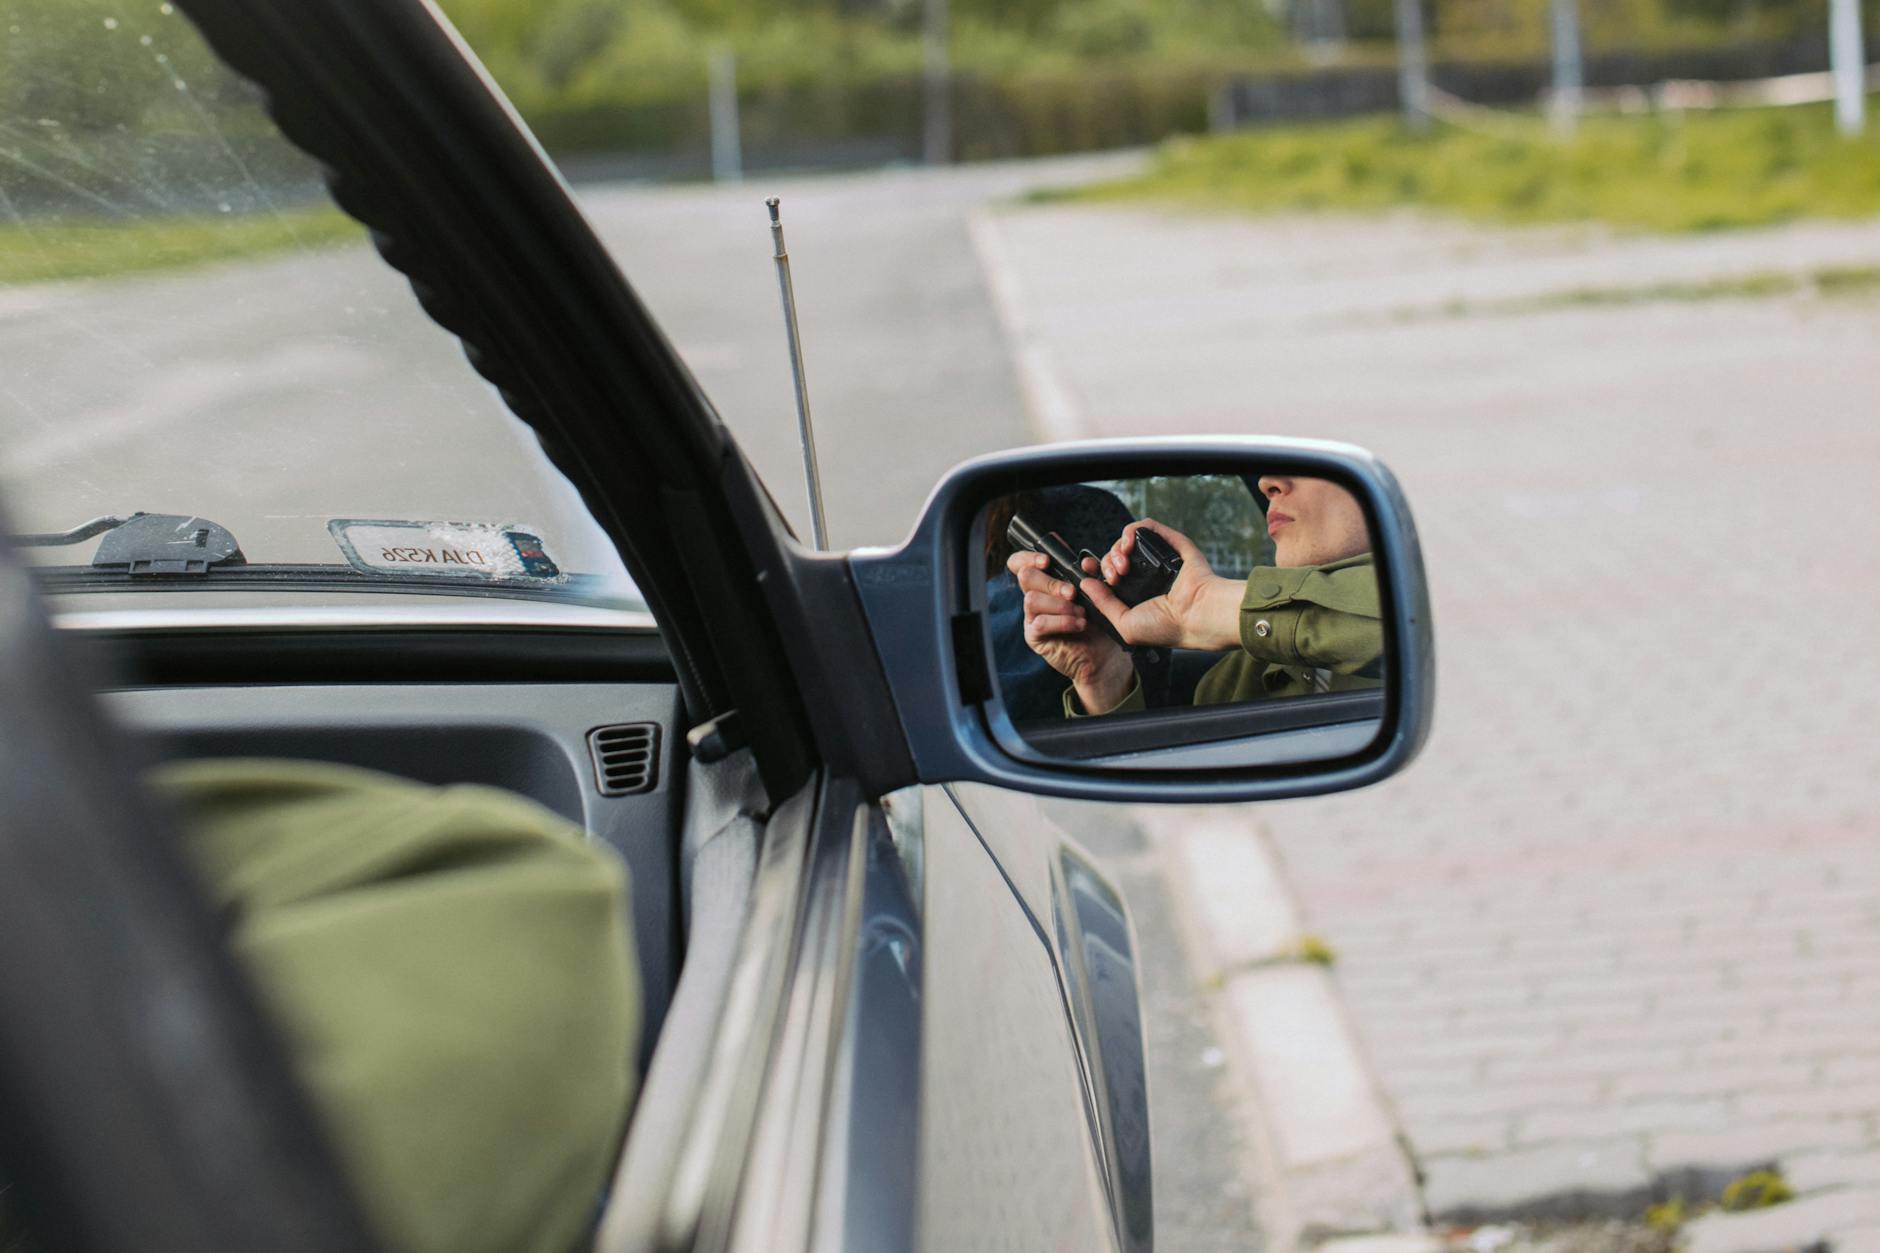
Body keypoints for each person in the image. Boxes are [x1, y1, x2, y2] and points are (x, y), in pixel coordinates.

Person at [1007, 474, 1385, 717]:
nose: (1266, 482)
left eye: (1309, 461)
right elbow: (1159, 808)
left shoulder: (1416, 621)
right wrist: (1103, 677)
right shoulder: (1227, 684)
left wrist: (1205, 603)